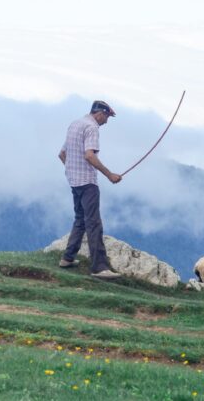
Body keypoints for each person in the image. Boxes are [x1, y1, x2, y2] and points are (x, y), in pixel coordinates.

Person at [58, 100, 122, 280]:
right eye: (107, 117)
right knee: (93, 223)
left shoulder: (75, 124)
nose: (106, 121)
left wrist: (71, 170)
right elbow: (89, 155)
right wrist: (110, 175)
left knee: (80, 220)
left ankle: (67, 258)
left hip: (74, 181)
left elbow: (62, 154)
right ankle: (99, 268)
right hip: (87, 183)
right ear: (100, 113)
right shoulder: (92, 128)